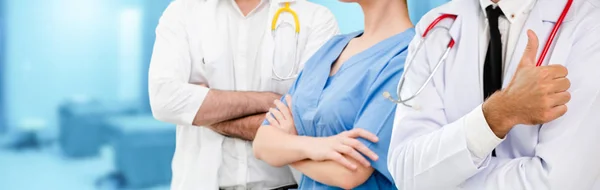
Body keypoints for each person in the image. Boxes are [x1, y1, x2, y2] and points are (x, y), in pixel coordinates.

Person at [386, 0, 600, 189]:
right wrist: (499, 114)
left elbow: (558, 182)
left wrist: (442, 177)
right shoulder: (436, 26)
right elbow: (407, 172)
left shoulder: (589, 21)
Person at [148, 0, 339, 189]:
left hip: (289, 184)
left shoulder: (317, 19)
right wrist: (268, 101)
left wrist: (205, 114)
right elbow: (164, 100)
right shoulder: (182, 12)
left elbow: (305, 123)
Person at [252, 0, 414, 189]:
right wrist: (315, 147)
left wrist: (288, 149)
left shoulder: (407, 57)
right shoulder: (332, 48)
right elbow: (262, 143)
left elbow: (349, 172)